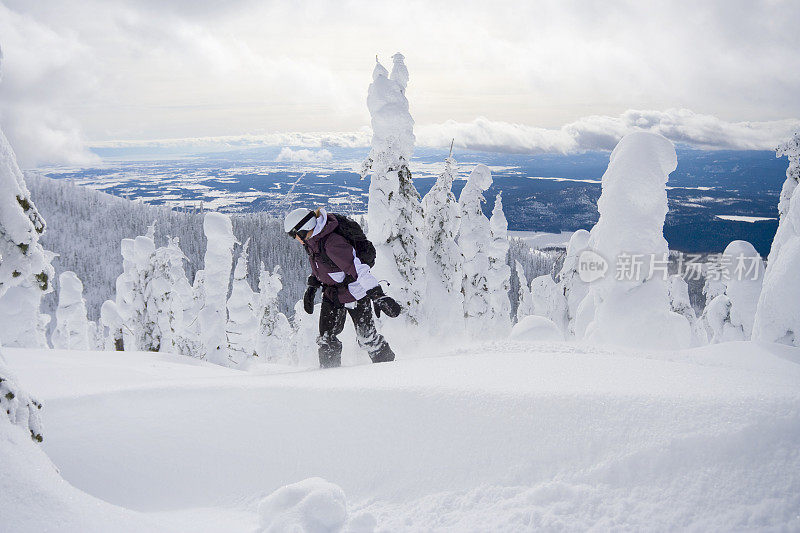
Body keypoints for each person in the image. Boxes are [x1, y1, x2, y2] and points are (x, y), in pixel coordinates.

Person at [284, 207, 402, 368]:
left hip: (356, 294)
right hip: (333, 295)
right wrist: (313, 285)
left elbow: (358, 269)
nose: (294, 238)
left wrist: (377, 295)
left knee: (367, 338)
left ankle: (389, 369)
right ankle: (331, 377)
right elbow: (324, 266)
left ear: (304, 229)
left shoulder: (332, 243)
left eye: (293, 234)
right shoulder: (312, 241)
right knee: (326, 339)